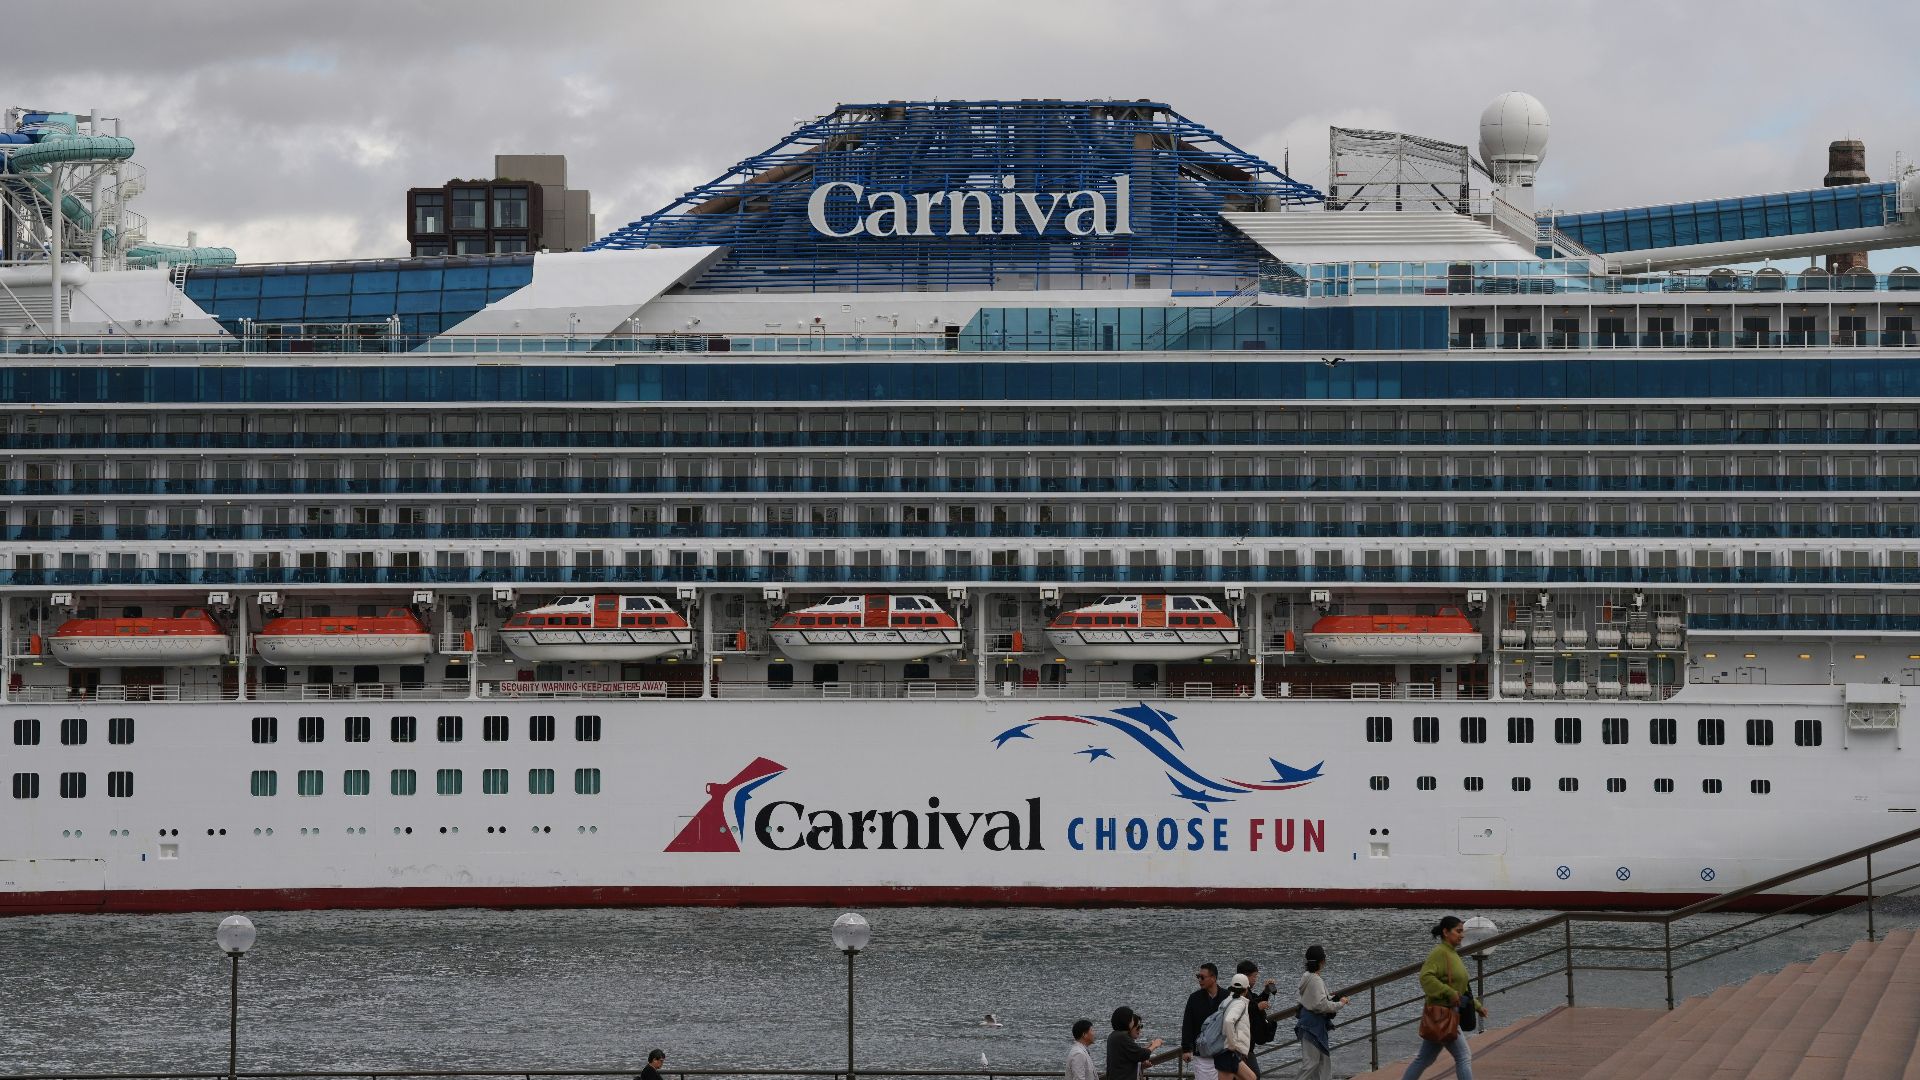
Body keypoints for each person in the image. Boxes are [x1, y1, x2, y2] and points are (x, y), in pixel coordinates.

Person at [1397, 916, 1487, 1080]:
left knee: (1425, 1059)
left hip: (1447, 1014)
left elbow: (1461, 987)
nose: (1462, 935)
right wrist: (1448, 992)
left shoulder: (1452, 953)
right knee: (1463, 1056)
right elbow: (1426, 977)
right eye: (1458, 931)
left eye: (1462, 932)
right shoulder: (1440, 953)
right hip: (1444, 1014)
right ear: (1446, 932)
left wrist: (1476, 1005)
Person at [1295, 946, 1348, 1080]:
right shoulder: (1316, 980)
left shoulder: (1307, 976)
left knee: (1321, 1062)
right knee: (1312, 1063)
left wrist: (1330, 998)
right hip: (1313, 1025)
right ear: (1322, 961)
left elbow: (1313, 999)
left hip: (1307, 1023)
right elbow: (1321, 1005)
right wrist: (1340, 1003)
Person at [1180, 962, 1227, 1080]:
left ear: (1213, 978)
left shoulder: (1227, 997)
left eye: (1202, 977)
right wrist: (1186, 1049)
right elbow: (1187, 1024)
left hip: (1223, 1051)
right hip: (1201, 1053)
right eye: (1198, 977)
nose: (1199, 980)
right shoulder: (1194, 998)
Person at [1235, 959, 1278, 1076]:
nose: (1255, 979)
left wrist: (1266, 991)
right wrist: (1257, 1007)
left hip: (1247, 1045)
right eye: (1254, 976)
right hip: (1241, 1046)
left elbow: (1253, 1002)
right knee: (1254, 1075)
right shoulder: (1237, 994)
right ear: (1245, 977)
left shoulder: (1246, 993)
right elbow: (1242, 1008)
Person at [1212, 973, 1258, 1080]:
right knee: (1251, 1078)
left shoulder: (1226, 1001)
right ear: (1246, 989)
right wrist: (1232, 1045)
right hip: (1229, 1052)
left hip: (1222, 1051)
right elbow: (1228, 1021)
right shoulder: (1240, 1003)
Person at [1106, 1006, 1162, 1080]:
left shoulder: (1113, 1035)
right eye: (1131, 1018)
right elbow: (1142, 1055)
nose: (1132, 1020)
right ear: (1126, 1020)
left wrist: (1146, 1048)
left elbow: (1130, 1055)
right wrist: (1155, 1045)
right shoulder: (1122, 1036)